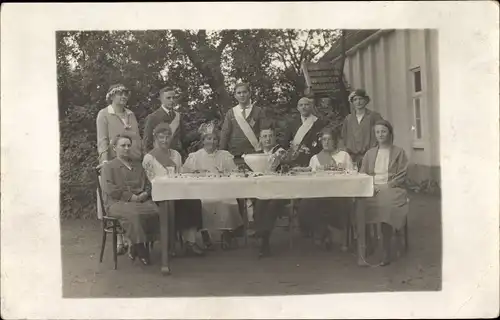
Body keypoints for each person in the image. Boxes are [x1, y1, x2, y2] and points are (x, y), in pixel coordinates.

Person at [142, 123, 205, 256]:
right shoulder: (149, 157)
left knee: (194, 201)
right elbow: (150, 180)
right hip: (159, 194)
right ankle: (169, 245)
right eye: (161, 137)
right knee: (169, 205)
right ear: (155, 138)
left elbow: (180, 174)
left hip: (177, 192)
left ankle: (190, 241)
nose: (164, 140)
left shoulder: (176, 154)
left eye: (167, 137)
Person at [96, 84, 143, 255]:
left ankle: (134, 241)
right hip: (113, 163)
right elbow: (102, 140)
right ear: (111, 96)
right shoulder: (104, 114)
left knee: (134, 194)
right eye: (120, 94)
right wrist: (105, 162)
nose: (123, 97)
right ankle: (120, 240)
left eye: (125, 93)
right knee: (117, 197)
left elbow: (136, 138)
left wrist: (139, 158)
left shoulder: (130, 114)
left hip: (132, 161)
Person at [355, 120, 410, 267]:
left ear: (390, 133)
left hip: (392, 187)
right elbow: (363, 173)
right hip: (372, 188)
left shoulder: (399, 152)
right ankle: (367, 245)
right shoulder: (369, 153)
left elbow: (402, 174)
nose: (381, 135)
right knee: (360, 206)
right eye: (378, 132)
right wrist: (371, 185)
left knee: (386, 205)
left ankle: (386, 248)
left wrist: (387, 185)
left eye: (383, 131)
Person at [181, 121, 243, 248]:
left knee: (227, 203)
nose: (212, 142)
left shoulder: (224, 156)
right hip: (202, 192)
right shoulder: (195, 157)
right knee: (203, 204)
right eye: (209, 138)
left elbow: (234, 173)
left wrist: (224, 173)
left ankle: (226, 233)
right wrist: (198, 173)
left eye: (215, 139)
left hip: (222, 190)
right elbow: (184, 174)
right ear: (203, 141)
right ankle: (205, 234)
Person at [101, 133, 159, 266]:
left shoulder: (137, 165)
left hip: (140, 200)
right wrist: (130, 197)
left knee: (156, 210)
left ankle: (134, 244)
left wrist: (145, 193)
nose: (126, 148)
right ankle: (140, 248)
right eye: (123, 145)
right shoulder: (109, 167)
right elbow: (109, 188)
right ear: (114, 148)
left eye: (128, 145)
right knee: (134, 214)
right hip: (117, 203)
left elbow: (148, 183)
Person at [298, 127, 354, 251]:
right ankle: (323, 231)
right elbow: (310, 180)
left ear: (335, 141)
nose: (326, 142)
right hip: (320, 194)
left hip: (340, 193)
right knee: (306, 204)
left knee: (336, 203)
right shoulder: (315, 159)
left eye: (329, 139)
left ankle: (330, 233)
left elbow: (351, 175)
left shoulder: (343, 156)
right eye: (324, 140)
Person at [219, 82, 266, 220]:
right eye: (239, 93)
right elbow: (225, 134)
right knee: (238, 190)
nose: (242, 95)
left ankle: (258, 222)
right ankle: (240, 223)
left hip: (255, 156)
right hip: (237, 156)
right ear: (235, 95)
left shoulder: (258, 111)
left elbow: (264, 131)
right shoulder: (231, 113)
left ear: (249, 93)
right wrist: (221, 153)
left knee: (257, 189)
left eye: (244, 92)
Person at [252, 123, 289, 258]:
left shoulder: (280, 152)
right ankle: (264, 241)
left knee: (271, 203)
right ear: (260, 139)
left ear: (274, 138)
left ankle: (261, 233)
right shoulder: (255, 155)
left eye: (270, 136)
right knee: (261, 200)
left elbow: (287, 168)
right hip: (260, 191)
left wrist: (283, 160)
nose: (267, 139)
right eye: (264, 136)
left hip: (280, 191)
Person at [340, 89, 384, 170]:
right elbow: (344, 137)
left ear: (366, 100)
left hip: (370, 155)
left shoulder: (374, 116)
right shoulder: (348, 119)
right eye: (355, 100)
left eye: (360, 99)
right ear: (352, 102)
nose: (358, 102)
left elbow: (382, 133)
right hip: (352, 157)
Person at [142, 86, 191, 158]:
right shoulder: (153, 117)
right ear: (161, 99)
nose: (172, 100)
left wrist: (199, 133)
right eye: (168, 98)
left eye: (174, 98)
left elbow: (184, 140)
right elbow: (147, 143)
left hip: (176, 157)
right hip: (160, 158)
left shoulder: (178, 116)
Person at [282, 97, 327, 167]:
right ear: (298, 108)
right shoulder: (292, 124)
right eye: (301, 105)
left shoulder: (319, 123)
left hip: (314, 159)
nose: (303, 107)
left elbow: (323, 143)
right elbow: (285, 144)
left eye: (306, 105)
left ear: (311, 106)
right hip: (296, 161)